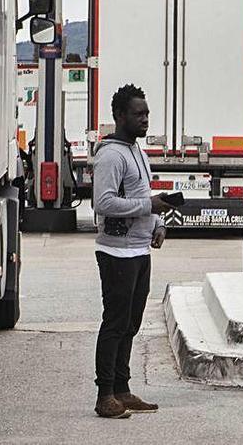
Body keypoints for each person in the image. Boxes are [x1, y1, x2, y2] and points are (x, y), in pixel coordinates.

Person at [92, 84, 173, 418]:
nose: (145, 120)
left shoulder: (136, 150)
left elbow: (144, 192)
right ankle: (105, 395)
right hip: (116, 253)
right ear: (119, 116)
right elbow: (104, 202)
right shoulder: (111, 154)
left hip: (138, 251)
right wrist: (147, 205)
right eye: (138, 114)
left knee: (131, 324)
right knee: (115, 323)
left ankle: (123, 391)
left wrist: (157, 222)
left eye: (147, 114)